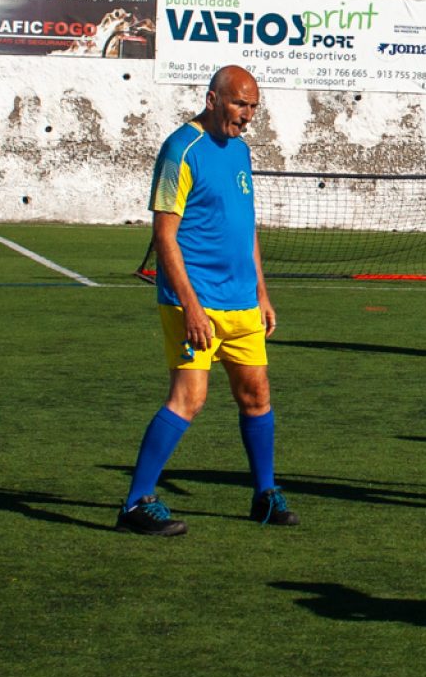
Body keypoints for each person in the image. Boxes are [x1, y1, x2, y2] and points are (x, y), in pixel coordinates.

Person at [117, 64, 298, 535]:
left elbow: (246, 226)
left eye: (254, 106)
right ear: (213, 98)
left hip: (241, 301)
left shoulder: (239, 151)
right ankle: (135, 503)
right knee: (189, 398)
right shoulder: (182, 149)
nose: (247, 115)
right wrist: (192, 305)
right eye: (240, 104)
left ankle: (264, 495)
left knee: (256, 395)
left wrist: (261, 291)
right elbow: (164, 236)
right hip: (194, 301)